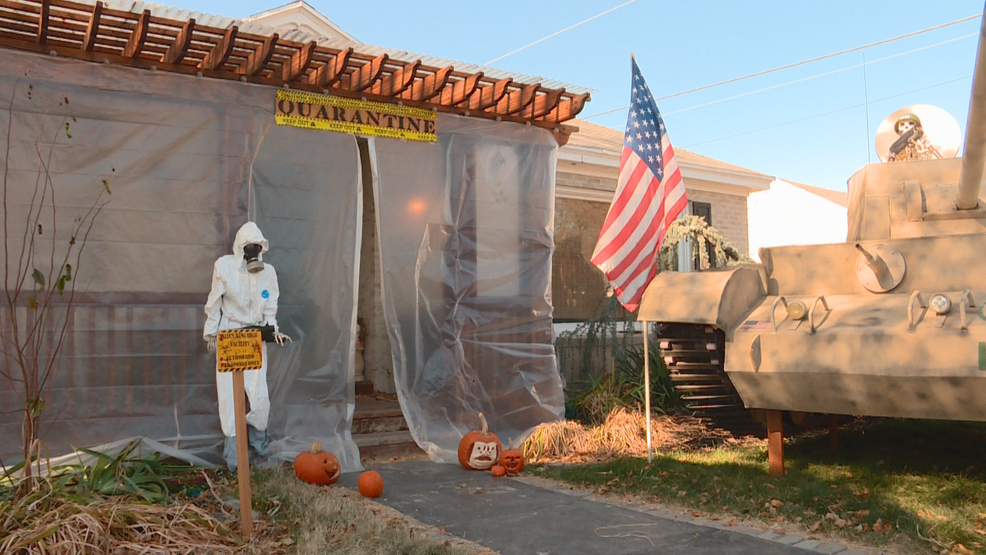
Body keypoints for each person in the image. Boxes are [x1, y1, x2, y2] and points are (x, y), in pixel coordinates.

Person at [203, 221, 291, 471]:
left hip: (254, 338)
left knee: (259, 395)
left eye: (257, 247)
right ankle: (234, 457)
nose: (254, 253)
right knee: (228, 396)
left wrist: (272, 329)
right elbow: (215, 301)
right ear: (240, 248)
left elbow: (270, 303)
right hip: (230, 336)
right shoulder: (224, 266)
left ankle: (258, 449)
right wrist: (210, 333)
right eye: (249, 248)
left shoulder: (268, 272)